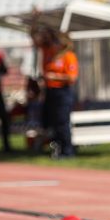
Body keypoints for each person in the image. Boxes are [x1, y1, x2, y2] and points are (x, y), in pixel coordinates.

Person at [42, 30, 79, 159]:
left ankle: (68, 151)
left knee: (63, 122)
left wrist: (54, 76)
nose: (54, 44)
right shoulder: (53, 55)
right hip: (51, 91)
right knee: (55, 122)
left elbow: (72, 77)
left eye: (57, 42)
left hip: (63, 92)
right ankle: (58, 149)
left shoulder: (69, 56)